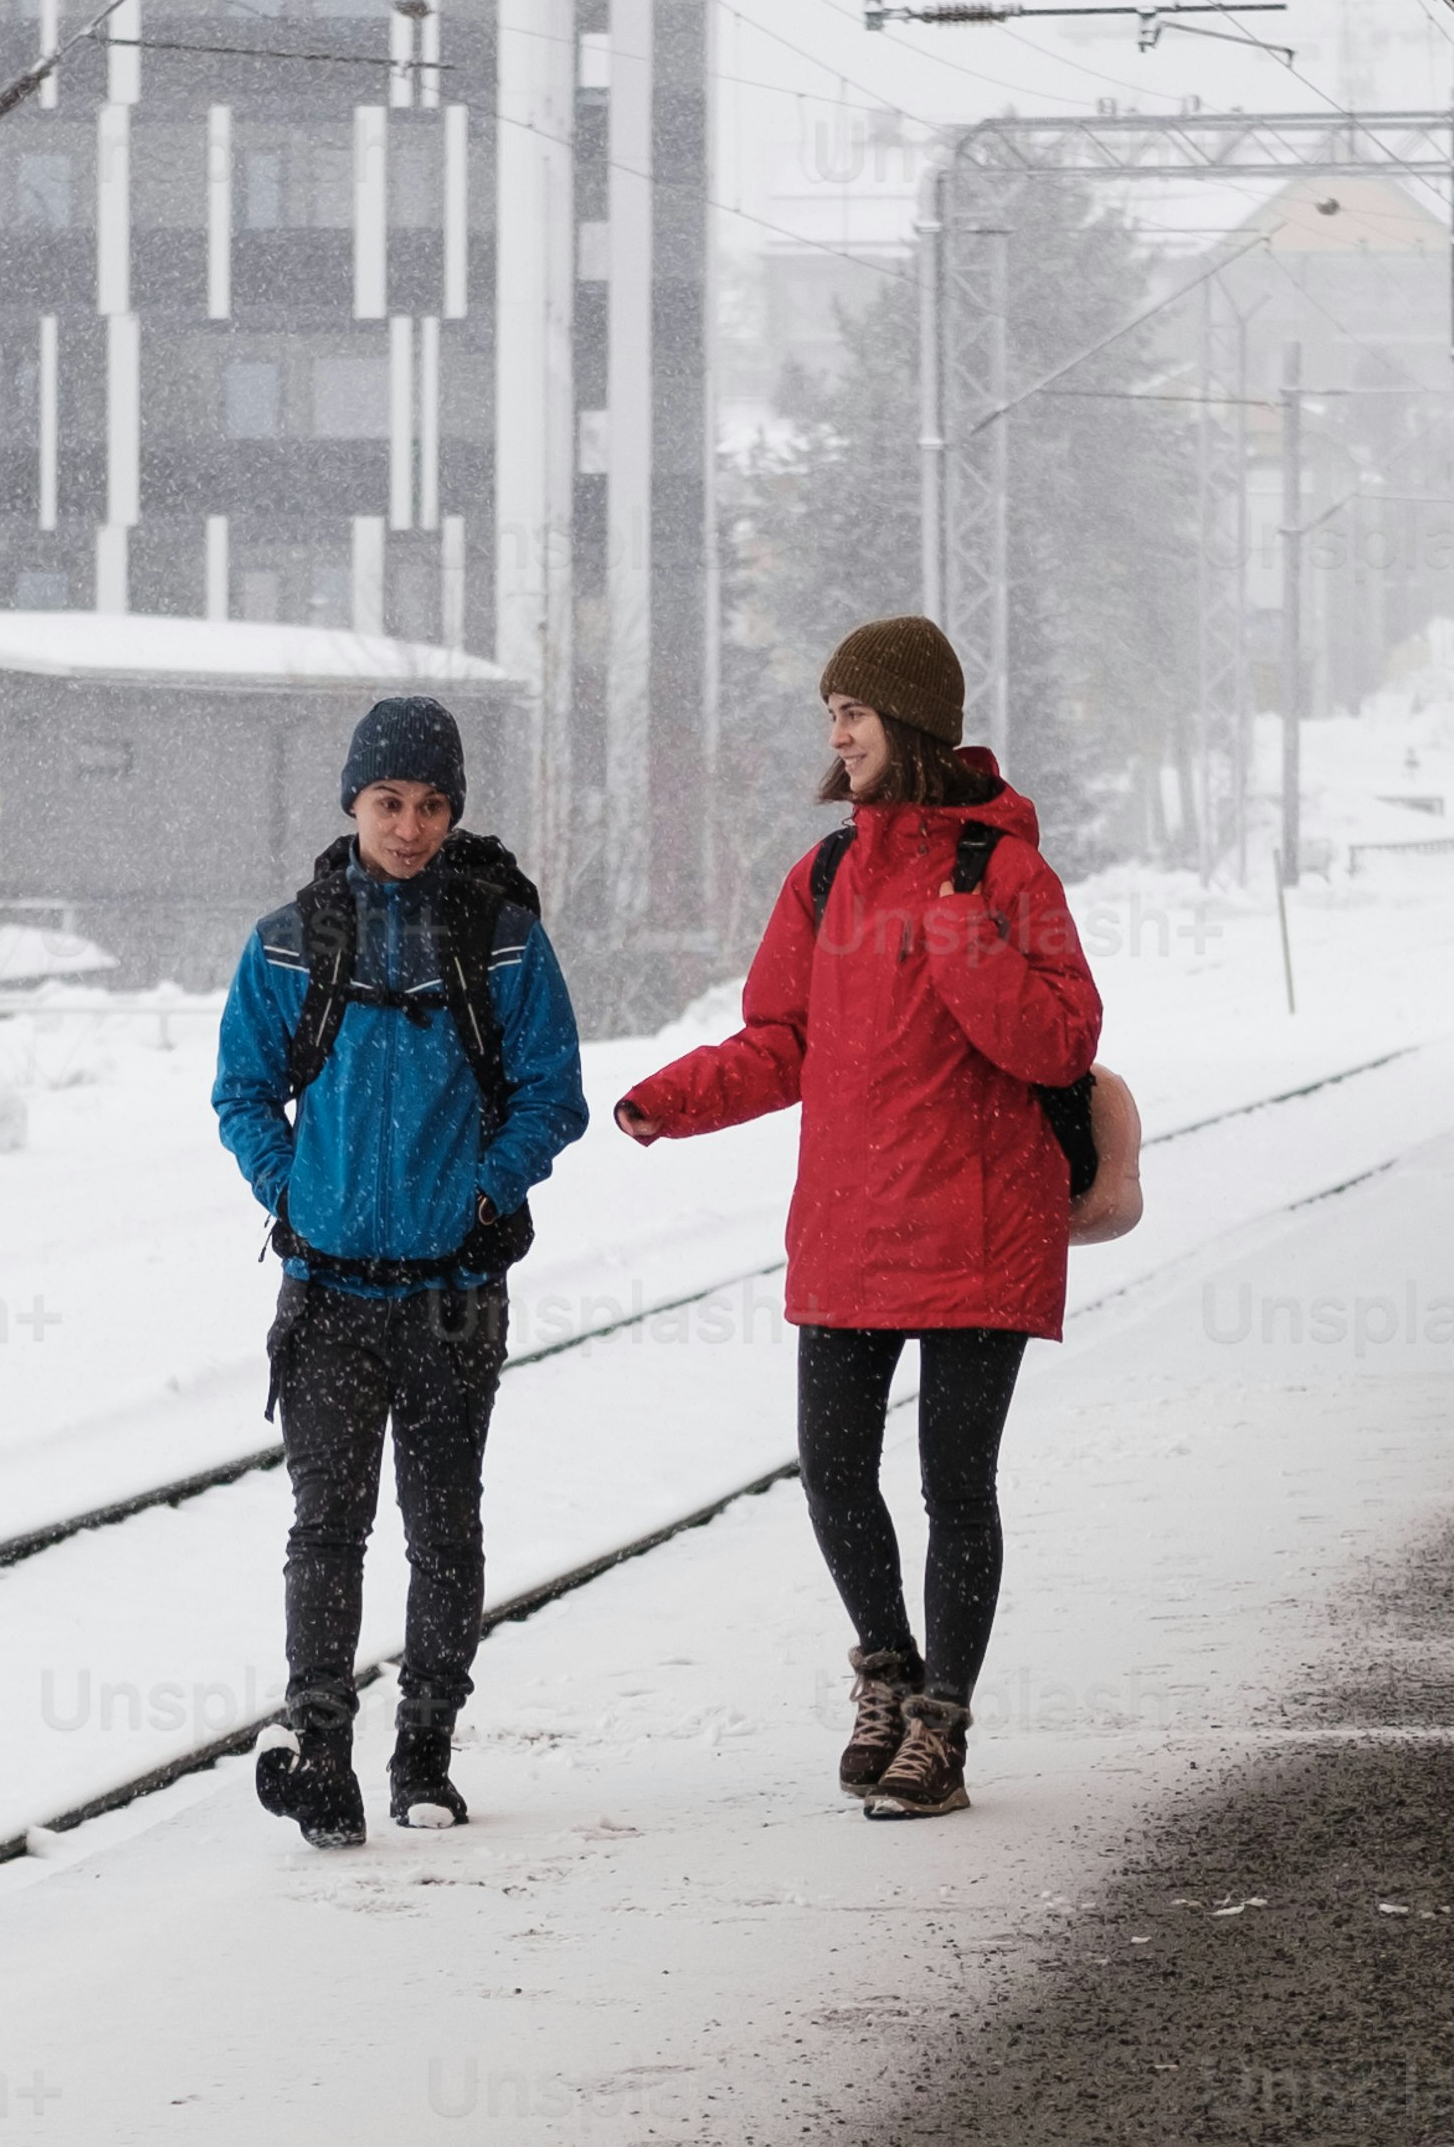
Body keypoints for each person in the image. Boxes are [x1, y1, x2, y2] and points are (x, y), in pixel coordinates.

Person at [619, 614, 1103, 1823]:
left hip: (980, 1225)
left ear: (913, 724)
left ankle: (941, 1727)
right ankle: (886, 1677)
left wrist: (959, 939)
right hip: (848, 1217)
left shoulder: (1005, 873)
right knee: (831, 1470)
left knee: (954, 1480)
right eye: (830, 713)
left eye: (855, 711)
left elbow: (1058, 1041)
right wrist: (673, 1099)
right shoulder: (824, 872)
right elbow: (784, 1039)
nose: (837, 734)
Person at [209, 690, 588, 1848]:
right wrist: (290, 1192)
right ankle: (321, 1754)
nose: (410, 826)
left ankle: (423, 1752)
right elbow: (240, 1093)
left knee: (443, 1527)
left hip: (452, 1297)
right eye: (389, 802)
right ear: (352, 804)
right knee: (325, 1528)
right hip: (325, 1295)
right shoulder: (288, 943)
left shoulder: (503, 940)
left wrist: (481, 1192)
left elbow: (551, 1096)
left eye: (431, 805)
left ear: (453, 810)